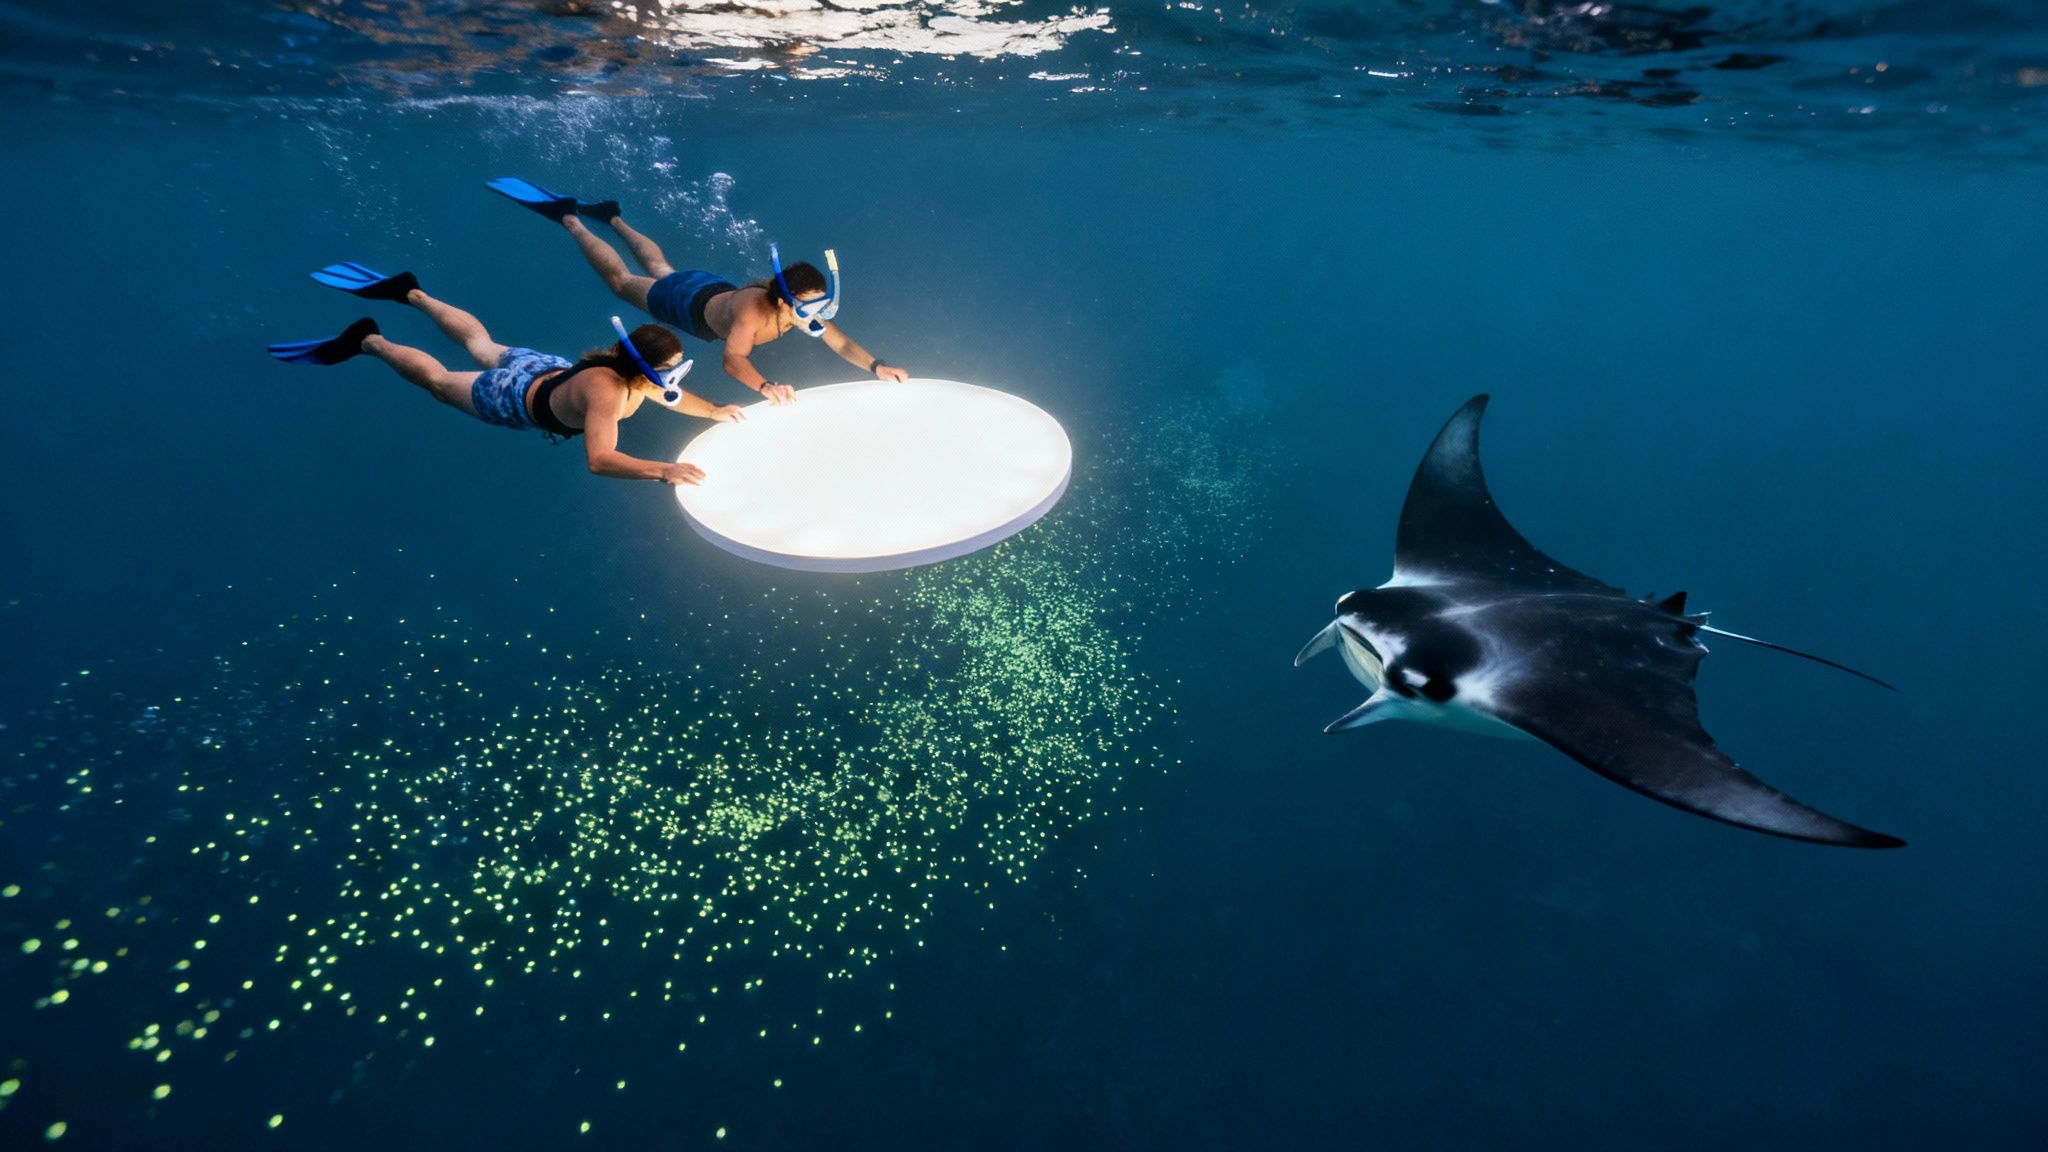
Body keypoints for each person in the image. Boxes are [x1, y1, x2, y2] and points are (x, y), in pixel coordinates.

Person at [266, 263, 742, 485]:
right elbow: (599, 459)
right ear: (642, 370)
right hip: (511, 397)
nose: (672, 378)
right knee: (437, 382)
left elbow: (672, 397)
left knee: (483, 344)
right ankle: (369, 341)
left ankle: (412, 293)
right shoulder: (607, 392)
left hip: (549, 369)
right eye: (668, 371)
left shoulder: (630, 371)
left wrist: (716, 410)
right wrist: (664, 470)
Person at [487, 177, 910, 405]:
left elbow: (839, 342)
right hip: (685, 304)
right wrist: (766, 388)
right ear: (784, 301)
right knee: (623, 283)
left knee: (659, 267)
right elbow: (732, 360)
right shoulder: (754, 315)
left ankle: (613, 217)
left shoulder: (796, 306)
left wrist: (877, 366)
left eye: (820, 302)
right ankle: (570, 219)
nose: (818, 312)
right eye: (810, 305)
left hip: (710, 289)